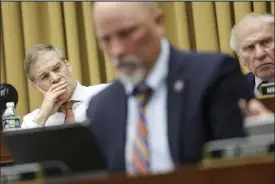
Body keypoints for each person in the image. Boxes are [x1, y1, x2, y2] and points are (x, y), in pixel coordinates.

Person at [86, 2, 254, 175]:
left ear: (158, 22)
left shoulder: (213, 76)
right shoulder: (100, 108)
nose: (117, 50)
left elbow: (238, 169)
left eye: (127, 33)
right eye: (105, 39)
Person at [21, 44, 108, 129]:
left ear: (68, 65)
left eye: (57, 68)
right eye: (45, 76)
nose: (55, 78)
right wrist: (43, 115)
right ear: (36, 86)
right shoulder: (31, 122)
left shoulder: (107, 94)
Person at [230, 13, 274, 96]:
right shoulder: (233, 92)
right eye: (249, 47)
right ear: (240, 58)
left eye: (266, 42)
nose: (260, 54)